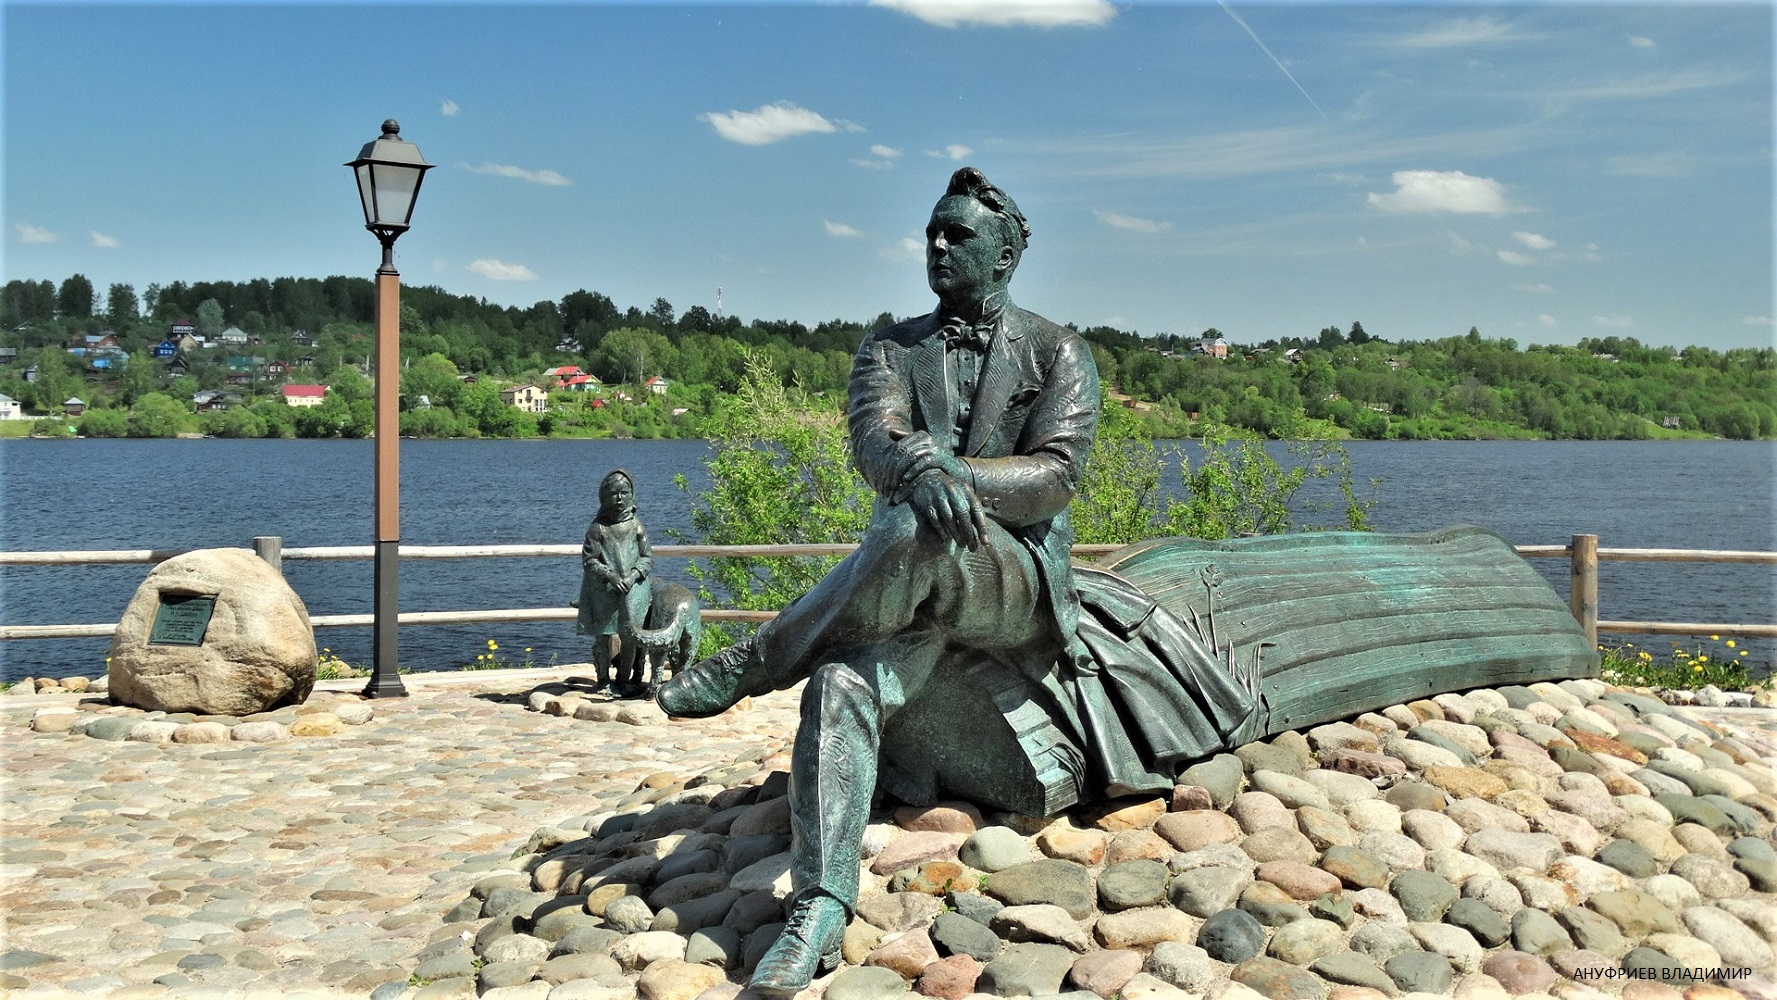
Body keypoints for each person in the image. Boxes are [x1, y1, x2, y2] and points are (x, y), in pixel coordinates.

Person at [659, 168, 1257, 996]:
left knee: (913, 524)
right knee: (840, 683)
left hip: (1011, 584)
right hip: (918, 580)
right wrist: (915, 465)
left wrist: (949, 474)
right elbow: (876, 445)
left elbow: (1055, 475)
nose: (937, 246)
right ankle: (822, 907)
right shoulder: (889, 346)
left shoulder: (1057, 350)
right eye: (931, 234)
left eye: (958, 235)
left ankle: (757, 657)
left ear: (1006, 252)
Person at [576, 469, 652, 692]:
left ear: (632, 495)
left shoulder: (637, 526)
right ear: (604, 497)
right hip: (603, 592)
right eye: (614, 493)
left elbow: (647, 557)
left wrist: (634, 574)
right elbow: (589, 560)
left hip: (631, 591)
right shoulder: (597, 528)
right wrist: (609, 575)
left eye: (624, 493)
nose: (620, 498)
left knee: (630, 637)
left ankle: (624, 680)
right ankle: (602, 680)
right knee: (603, 637)